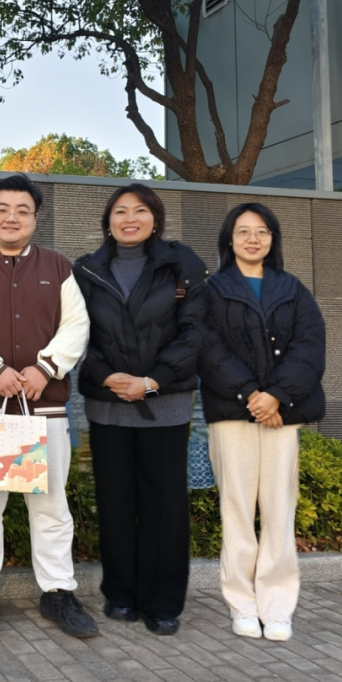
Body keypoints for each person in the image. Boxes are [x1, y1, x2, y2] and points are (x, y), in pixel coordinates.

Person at [0, 173, 95, 639]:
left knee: (50, 505)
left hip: (42, 410)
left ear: (35, 218)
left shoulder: (58, 267)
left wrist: (46, 368)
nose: (12, 217)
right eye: (2, 209)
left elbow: (77, 325)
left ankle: (57, 591)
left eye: (22, 210)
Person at [73, 183, 207, 636]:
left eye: (140, 210)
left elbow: (194, 331)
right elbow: (76, 332)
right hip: (108, 405)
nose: (129, 218)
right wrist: (105, 375)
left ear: (156, 219)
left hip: (165, 403)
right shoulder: (86, 270)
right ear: (108, 221)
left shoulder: (182, 264)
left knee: (164, 506)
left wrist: (152, 381)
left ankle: (162, 601)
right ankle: (120, 593)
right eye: (120, 211)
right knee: (114, 502)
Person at [198, 203, 325, 643]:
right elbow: (208, 349)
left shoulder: (293, 289)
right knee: (236, 509)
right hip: (232, 414)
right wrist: (252, 394)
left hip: (281, 416)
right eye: (243, 231)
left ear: (272, 239)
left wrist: (277, 396)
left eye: (262, 231)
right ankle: (241, 604)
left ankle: (277, 607)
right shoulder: (211, 290)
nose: (253, 239)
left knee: (278, 509)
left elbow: (310, 346)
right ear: (229, 239)